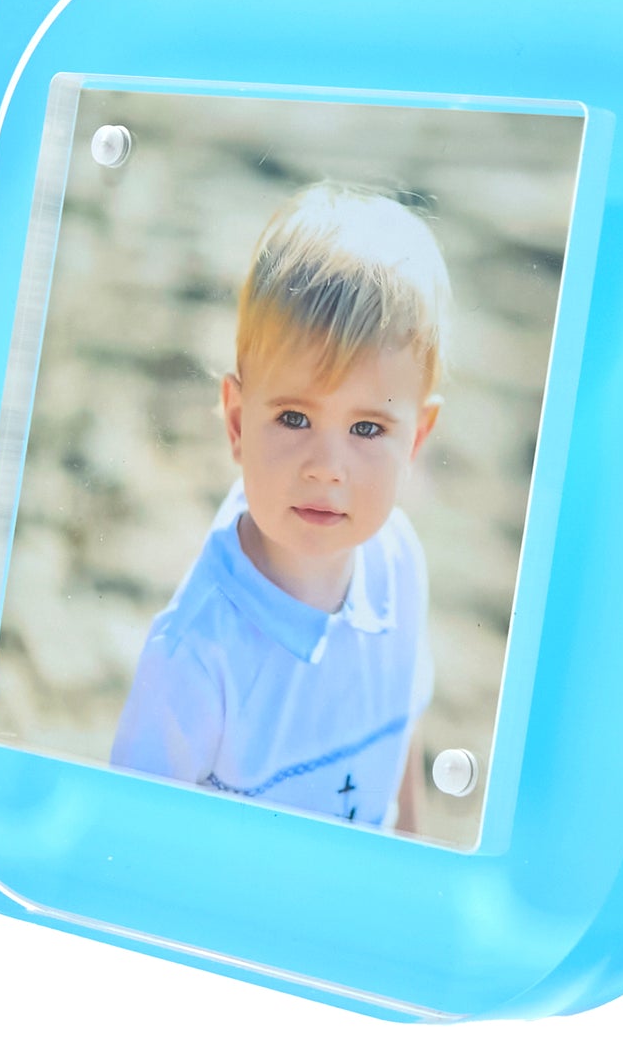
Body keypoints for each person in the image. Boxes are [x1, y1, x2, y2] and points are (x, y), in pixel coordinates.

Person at [111, 182, 448, 832]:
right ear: (238, 422)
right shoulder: (197, 656)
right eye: (294, 417)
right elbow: (132, 838)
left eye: (368, 429)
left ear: (416, 441)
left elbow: (402, 738)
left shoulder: (399, 562)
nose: (326, 466)